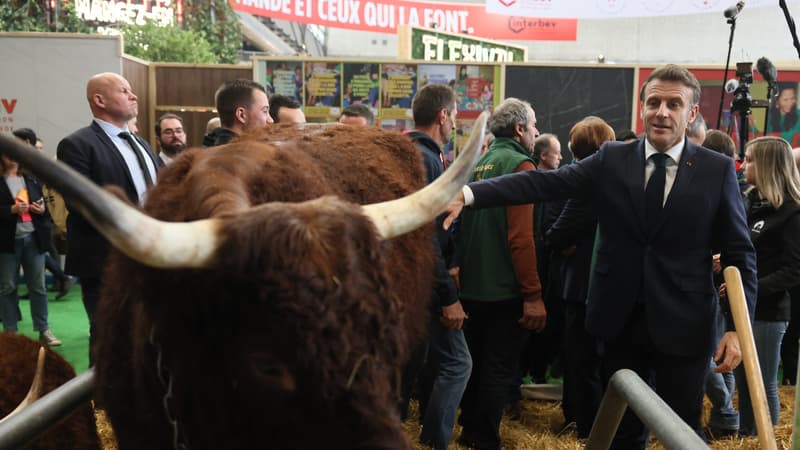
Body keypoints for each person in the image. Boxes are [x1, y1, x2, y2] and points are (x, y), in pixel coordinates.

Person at [443, 65, 757, 449]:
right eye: (654, 101)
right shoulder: (612, 159)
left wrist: (737, 330)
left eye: (674, 104)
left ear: (691, 113)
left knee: (683, 430)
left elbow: (740, 255)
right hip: (619, 324)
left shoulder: (717, 170)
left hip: (685, 325)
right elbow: (544, 183)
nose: (662, 111)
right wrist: (470, 195)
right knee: (622, 429)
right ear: (641, 108)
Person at [457, 97, 545, 450]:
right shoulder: (522, 166)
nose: (537, 132)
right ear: (520, 128)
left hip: (472, 288)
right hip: (505, 289)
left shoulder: (481, 162)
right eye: (534, 125)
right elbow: (521, 237)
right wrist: (533, 294)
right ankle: (486, 440)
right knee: (498, 369)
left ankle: (469, 432)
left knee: (476, 365)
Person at [57, 72, 161, 360]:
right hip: (105, 261)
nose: (134, 95)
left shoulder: (141, 143)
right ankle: (98, 406)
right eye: (124, 90)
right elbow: (81, 203)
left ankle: (142, 404)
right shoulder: (77, 145)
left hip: (149, 259)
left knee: (146, 338)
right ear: (99, 100)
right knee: (108, 339)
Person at [403, 83, 471, 450]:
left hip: (414, 281)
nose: (455, 124)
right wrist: (447, 295)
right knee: (459, 363)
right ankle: (434, 443)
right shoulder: (426, 158)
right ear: (443, 115)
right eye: (455, 116)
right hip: (426, 283)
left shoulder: (409, 152)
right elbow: (424, 235)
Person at [545, 116, 615, 437]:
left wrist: (560, 241)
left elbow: (557, 234)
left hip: (582, 287)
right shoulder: (619, 179)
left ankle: (586, 429)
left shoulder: (584, 183)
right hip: (610, 285)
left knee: (582, 362)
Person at [733, 136, 800, 436]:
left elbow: (794, 270)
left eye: (749, 159)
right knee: (745, 381)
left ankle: (764, 440)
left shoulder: (792, 212)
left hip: (769, 312)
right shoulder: (751, 203)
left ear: (769, 165)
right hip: (744, 307)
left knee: (763, 383)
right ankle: (748, 436)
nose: (743, 164)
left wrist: (752, 288)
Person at [2, 129, 60, 346]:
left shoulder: (31, 179)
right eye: (7, 152)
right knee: (7, 287)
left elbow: (43, 206)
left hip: (33, 240)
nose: (12, 156)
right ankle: (10, 332)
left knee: (38, 287)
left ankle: (44, 329)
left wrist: (41, 208)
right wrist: (11, 210)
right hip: (7, 242)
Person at [209, 80, 272, 146]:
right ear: (241, 115)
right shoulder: (241, 154)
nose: (271, 120)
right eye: (265, 111)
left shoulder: (212, 148)